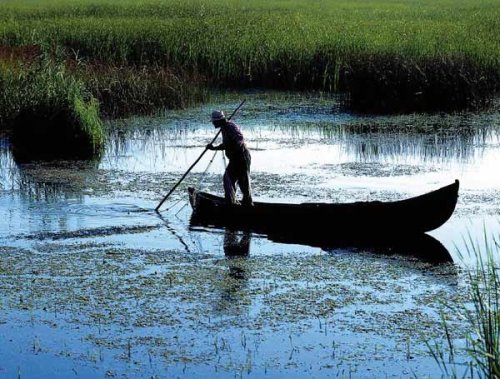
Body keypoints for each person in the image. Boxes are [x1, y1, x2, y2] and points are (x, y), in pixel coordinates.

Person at [206, 110, 253, 206]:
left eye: (214, 121)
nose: (213, 123)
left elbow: (239, 139)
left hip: (241, 157)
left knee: (243, 182)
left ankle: (248, 204)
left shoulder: (230, 126)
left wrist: (235, 149)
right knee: (228, 180)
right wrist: (213, 148)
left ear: (219, 120)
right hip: (234, 159)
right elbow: (226, 144)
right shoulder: (224, 128)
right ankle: (231, 203)